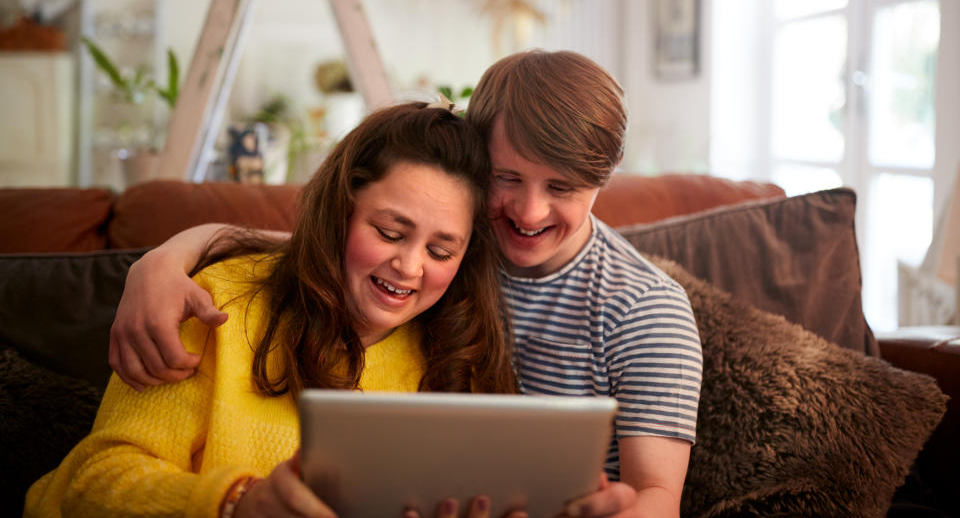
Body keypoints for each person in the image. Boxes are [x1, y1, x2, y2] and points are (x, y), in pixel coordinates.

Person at [109, 50, 703, 518]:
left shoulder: (643, 310)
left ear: (604, 180)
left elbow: (657, 498)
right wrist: (162, 260)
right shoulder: (461, 250)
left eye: (563, 189)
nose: (527, 211)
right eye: (507, 178)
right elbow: (320, 250)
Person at [24, 102, 516, 518]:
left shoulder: (459, 351)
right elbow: (96, 478)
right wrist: (234, 503)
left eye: (440, 252)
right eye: (389, 232)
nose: (409, 267)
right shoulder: (218, 301)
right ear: (340, 211)